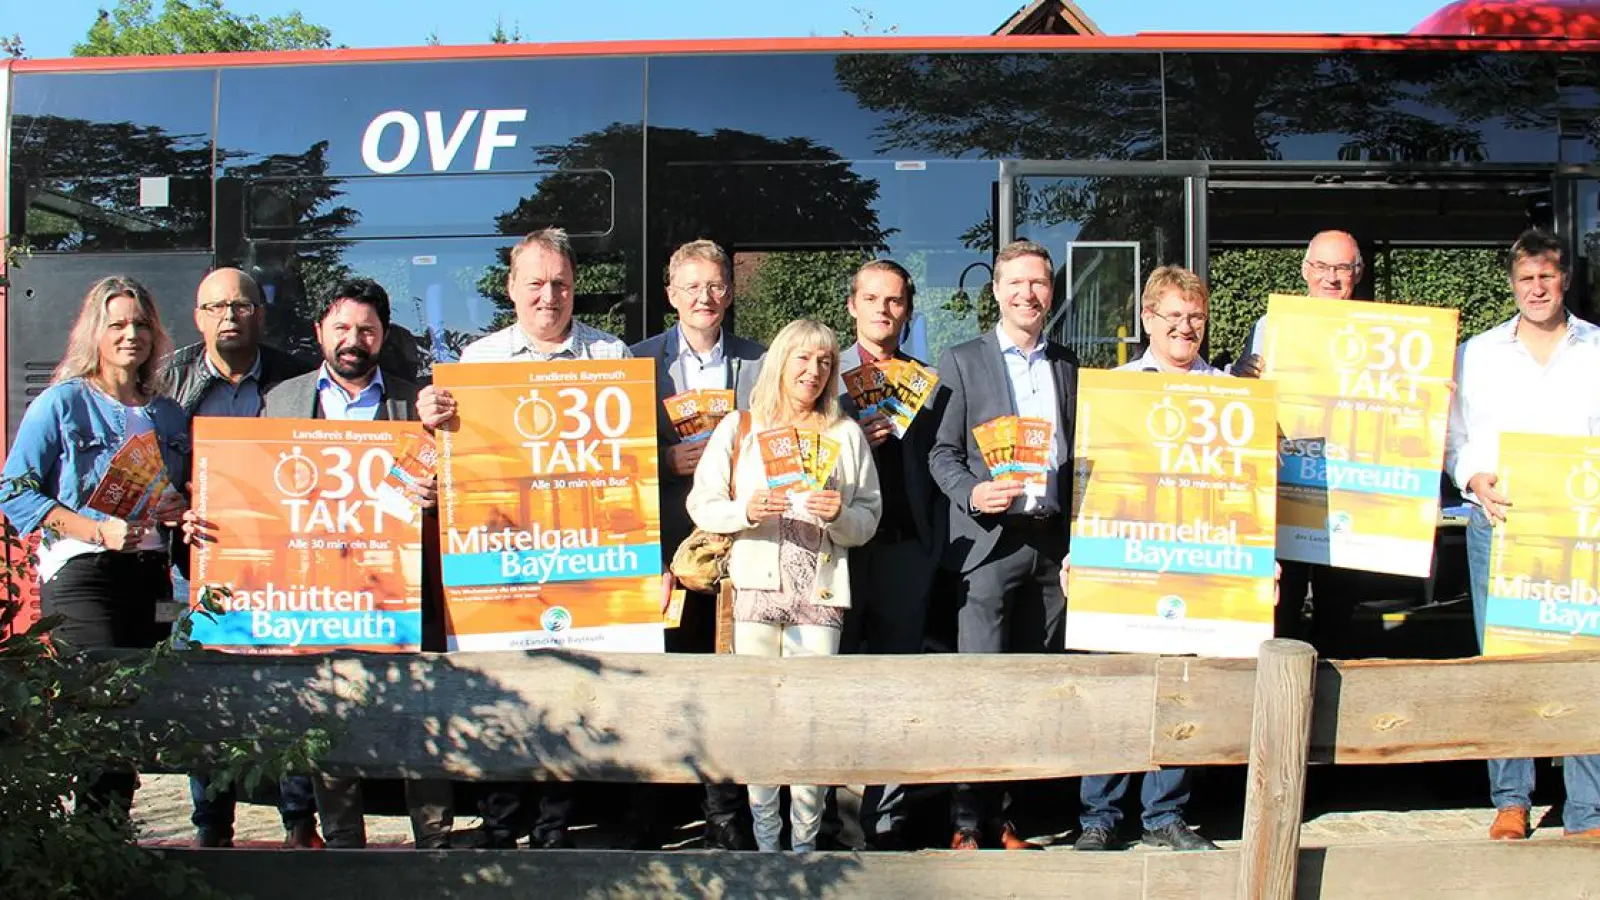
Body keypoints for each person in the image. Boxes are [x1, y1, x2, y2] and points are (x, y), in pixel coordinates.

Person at [415, 227, 631, 850]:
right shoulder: (474, 364)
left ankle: (555, 826)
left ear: (574, 288)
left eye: (560, 283)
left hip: (581, 550)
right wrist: (428, 422)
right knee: (502, 685)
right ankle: (502, 820)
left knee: (568, 690)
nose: (549, 295)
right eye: (535, 282)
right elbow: (443, 461)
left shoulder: (609, 356)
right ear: (511, 288)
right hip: (502, 553)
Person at [258, 278, 456, 849]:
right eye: (342, 327)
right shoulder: (282, 402)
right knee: (329, 719)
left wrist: (435, 499)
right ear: (320, 332)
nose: (354, 339)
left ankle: (435, 844)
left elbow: (452, 490)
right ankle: (344, 844)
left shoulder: (414, 403)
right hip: (323, 596)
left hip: (403, 593)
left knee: (420, 719)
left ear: (382, 336)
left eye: (366, 329)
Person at [685, 319, 882, 853]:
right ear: (779, 362)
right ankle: (767, 845)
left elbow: (869, 519)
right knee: (759, 720)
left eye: (824, 363)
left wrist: (840, 515)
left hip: (818, 597)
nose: (813, 372)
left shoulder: (845, 434)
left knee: (811, 723)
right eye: (802, 359)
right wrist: (744, 510)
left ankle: (805, 846)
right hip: (754, 593)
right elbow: (700, 504)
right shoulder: (740, 427)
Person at [0, 275, 189, 816]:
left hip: (152, 577)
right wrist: (95, 530)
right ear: (95, 333)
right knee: (97, 714)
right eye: (119, 324)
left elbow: (173, 493)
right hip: (84, 575)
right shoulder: (62, 403)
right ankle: (92, 841)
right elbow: (14, 490)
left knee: (133, 717)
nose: (132, 335)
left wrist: (176, 507)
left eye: (141, 324)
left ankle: (110, 837)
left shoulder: (167, 413)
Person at [1445, 228, 1600, 841]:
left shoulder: (1598, 348)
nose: (1537, 288)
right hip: (1500, 524)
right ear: (1512, 284)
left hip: (1582, 529)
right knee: (1506, 661)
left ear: (1565, 280)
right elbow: (1451, 437)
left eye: (1548, 276)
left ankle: (1588, 809)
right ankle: (1512, 799)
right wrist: (1472, 476)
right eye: (1526, 278)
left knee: (1587, 659)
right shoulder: (1477, 353)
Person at [164, 267, 320, 849]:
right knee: (209, 700)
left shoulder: (295, 379)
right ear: (198, 316)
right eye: (216, 307)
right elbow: (153, 474)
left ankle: (300, 824)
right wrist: (171, 506)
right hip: (200, 569)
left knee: (292, 695)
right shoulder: (169, 382)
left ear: (261, 312)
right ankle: (212, 828)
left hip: (284, 565)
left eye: (242, 305)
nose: (230, 316)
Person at [929, 240, 1077, 851]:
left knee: (1029, 690)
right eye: (1016, 283)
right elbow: (942, 453)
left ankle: (1008, 819)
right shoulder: (962, 361)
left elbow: (1084, 462)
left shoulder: (1068, 366)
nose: (1028, 294)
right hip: (988, 549)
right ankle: (967, 822)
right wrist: (972, 493)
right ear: (996, 290)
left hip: (1050, 549)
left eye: (1039, 283)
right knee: (980, 686)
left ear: (1051, 291)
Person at [1069, 265, 1223, 853]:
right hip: (1125, 554)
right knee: (1117, 684)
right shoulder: (1116, 389)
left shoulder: (1227, 391)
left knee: (1180, 688)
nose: (1186, 327)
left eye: (1196, 317)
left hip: (1198, 561)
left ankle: (1165, 816)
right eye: (1174, 316)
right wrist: (1078, 550)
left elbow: (1250, 485)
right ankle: (1098, 816)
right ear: (1147, 320)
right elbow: (1088, 478)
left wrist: (1259, 561)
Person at [627, 239, 764, 851]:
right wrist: (664, 459)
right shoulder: (636, 363)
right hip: (668, 553)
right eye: (691, 287)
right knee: (663, 683)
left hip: (741, 551)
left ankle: (726, 818)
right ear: (670, 296)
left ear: (729, 293)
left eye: (715, 286)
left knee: (731, 685)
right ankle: (652, 815)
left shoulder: (760, 363)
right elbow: (612, 465)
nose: (704, 298)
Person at [833, 259, 946, 850]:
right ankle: (838, 816)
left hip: (907, 552)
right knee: (839, 683)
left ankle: (890, 818)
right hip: (840, 552)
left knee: (899, 687)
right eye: (872, 299)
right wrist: (850, 426)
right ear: (853, 306)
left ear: (908, 310)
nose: (884, 309)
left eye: (895, 301)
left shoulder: (928, 380)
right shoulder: (826, 377)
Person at [1232, 230, 1368, 656]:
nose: (1331, 278)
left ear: (1356, 274)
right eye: (1323, 267)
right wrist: (1241, 378)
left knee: (1338, 615)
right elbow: (1252, 404)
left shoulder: (1381, 333)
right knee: (1281, 612)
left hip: (1349, 495)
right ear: (1306, 270)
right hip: (1285, 491)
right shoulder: (1271, 327)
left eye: (1342, 268)